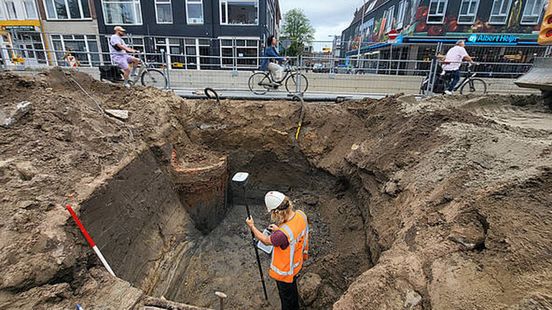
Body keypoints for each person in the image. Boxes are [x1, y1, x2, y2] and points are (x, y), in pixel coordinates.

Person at [246, 191, 309, 310]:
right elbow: (291, 230)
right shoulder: (301, 215)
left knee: (286, 298)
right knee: (292, 292)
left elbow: (265, 240)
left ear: (277, 212)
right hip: (296, 263)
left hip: (285, 272)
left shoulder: (282, 235)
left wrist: (252, 226)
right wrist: (279, 229)